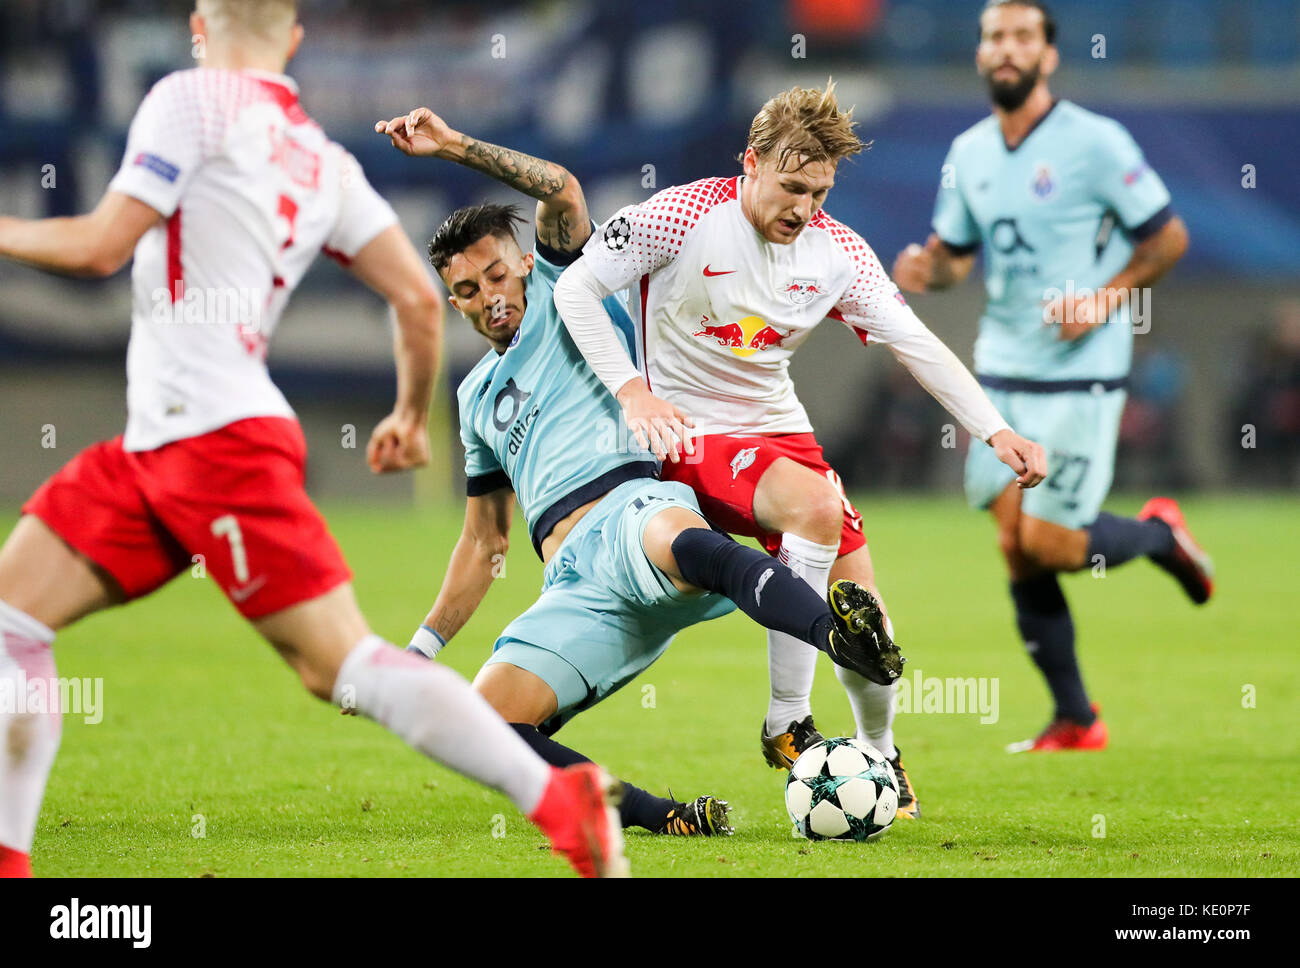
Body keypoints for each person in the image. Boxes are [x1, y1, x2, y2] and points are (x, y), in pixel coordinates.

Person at [0, 0, 626, 879]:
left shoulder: (189, 97)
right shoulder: (322, 159)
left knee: (342, 667)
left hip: (213, 448)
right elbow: (415, 298)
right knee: (11, 615)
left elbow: (104, 246)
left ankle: (556, 795)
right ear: (293, 40)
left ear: (197, 24)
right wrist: (409, 416)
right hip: (158, 446)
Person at [374, 106, 901, 836]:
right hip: (576, 590)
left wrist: (455, 146)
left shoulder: (563, 292)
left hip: (630, 511)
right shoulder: (473, 402)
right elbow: (483, 543)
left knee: (678, 539)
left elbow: (559, 188)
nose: (488, 297)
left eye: (496, 272)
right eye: (466, 290)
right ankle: (668, 818)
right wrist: (420, 651)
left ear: (525, 260)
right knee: (485, 727)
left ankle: (830, 645)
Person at [552, 79, 1048, 820]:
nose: (803, 208)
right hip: (688, 433)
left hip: (780, 435)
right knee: (816, 506)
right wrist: (630, 390)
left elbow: (913, 342)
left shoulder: (838, 252)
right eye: (790, 187)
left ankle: (879, 754)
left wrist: (995, 429)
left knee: (867, 622)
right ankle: (787, 720)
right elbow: (575, 292)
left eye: (818, 192)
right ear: (749, 162)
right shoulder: (681, 215)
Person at [892, 0, 1211, 751]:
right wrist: (927, 267)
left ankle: (1162, 537)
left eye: (1022, 36)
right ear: (979, 53)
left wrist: (1104, 298)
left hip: (1079, 375)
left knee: (1057, 547)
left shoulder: (1095, 142)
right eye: (994, 37)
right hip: (1000, 371)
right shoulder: (968, 150)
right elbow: (958, 253)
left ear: (1049, 53)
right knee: (1014, 544)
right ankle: (1076, 717)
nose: (1006, 49)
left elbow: (1169, 237)